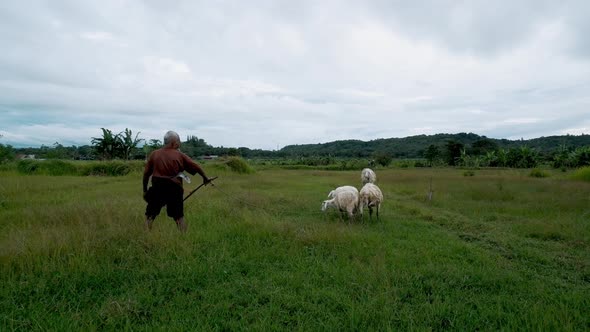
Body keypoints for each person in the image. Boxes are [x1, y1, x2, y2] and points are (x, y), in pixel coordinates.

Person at [143, 130, 211, 232]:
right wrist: (205, 178)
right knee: (179, 216)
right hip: (174, 188)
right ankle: (183, 237)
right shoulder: (180, 155)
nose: (180, 143)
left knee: (150, 214)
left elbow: (146, 174)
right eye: (179, 140)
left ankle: (146, 234)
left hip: (157, 187)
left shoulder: (154, 154)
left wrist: (145, 190)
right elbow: (196, 166)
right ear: (174, 142)